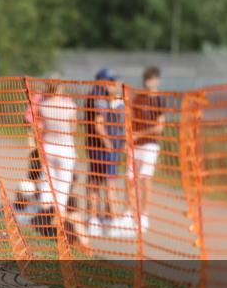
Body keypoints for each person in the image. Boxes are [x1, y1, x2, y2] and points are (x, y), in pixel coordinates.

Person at [17, 82, 77, 238]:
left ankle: (44, 218)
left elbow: (38, 127)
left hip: (47, 148)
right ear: (60, 88)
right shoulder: (68, 105)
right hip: (61, 149)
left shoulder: (43, 105)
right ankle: (52, 219)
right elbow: (73, 127)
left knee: (46, 184)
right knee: (58, 187)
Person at [84, 69, 127, 237]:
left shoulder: (97, 96)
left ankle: (99, 218)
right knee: (107, 183)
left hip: (99, 146)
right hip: (103, 147)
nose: (112, 85)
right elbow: (98, 123)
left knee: (97, 181)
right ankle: (112, 221)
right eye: (109, 81)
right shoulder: (99, 97)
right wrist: (109, 143)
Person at [129, 66, 165, 234]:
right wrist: (130, 136)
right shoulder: (138, 98)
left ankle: (144, 216)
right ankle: (130, 214)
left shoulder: (159, 100)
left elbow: (159, 127)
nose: (149, 82)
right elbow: (131, 118)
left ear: (157, 80)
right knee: (130, 179)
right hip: (135, 145)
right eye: (147, 78)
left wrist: (140, 133)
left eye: (152, 79)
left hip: (150, 144)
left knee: (145, 179)